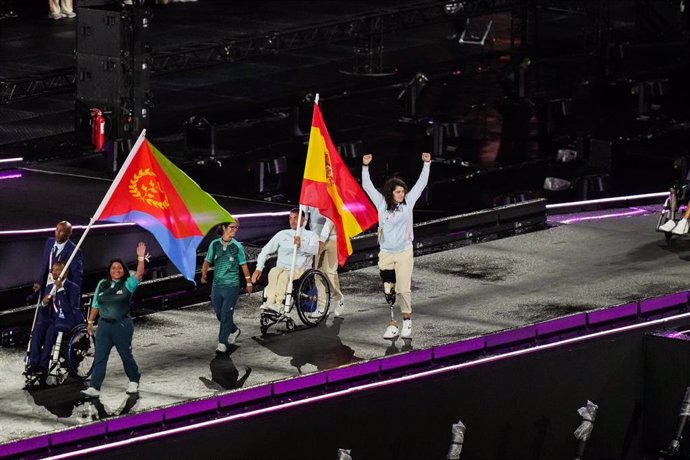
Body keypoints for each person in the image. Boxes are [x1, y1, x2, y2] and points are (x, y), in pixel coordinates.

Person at [362, 152, 431, 340]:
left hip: (403, 253)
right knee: (388, 288)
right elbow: (367, 186)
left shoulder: (408, 203)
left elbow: (421, 184)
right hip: (385, 253)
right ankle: (392, 324)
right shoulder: (381, 204)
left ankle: (407, 321)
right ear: (391, 193)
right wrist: (365, 166)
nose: (402, 194)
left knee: (403, 289)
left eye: (403, 192)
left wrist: (426, 164)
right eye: (398, 192)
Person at [81, 242, 147, 399]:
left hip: (122, 326)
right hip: (104, 326)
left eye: (119, 268)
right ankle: (94, 387)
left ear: (123, 270)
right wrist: (90, 322)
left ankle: (134, 380)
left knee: (125, 355)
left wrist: (140, 258)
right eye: (113, 268)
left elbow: (138, 274)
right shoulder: (102, 284)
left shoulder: (128, 284)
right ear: (109, 271)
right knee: (100, 357)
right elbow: (96, 304)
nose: (116, 270)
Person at [251, 208, 319, 313]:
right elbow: (265, 250)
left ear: (303, 220)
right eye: (290, 218)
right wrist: (259, 268)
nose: (292, 221)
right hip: (281, 267)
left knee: (284, 276)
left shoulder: (311, 235)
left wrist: (301, 245)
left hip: (299, 268)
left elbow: (315, 250)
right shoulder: (282, 234)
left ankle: (279, 304)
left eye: (296, 218)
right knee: (273, 272)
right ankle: (269, 302)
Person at [26, 261, 82, 381]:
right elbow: (45, 307)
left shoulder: (73, 288)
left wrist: (61, 290)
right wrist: (44, 303)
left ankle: (43, 366)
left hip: (69, 320)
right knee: (38, 328)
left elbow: (68, 310)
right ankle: (34, 364)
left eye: (57, 270)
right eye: (53, 270)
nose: (54, 272)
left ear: (65, 271)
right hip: (54, 318)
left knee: (52, 330)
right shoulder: (49, 287)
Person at [201, 221, 252, 353]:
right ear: (224, 228)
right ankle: (234, 330)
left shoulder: (237, 247)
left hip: (231, 285)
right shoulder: (215, 244)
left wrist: (248, 282)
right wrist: (204, 274)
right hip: (217, 285)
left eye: (236, 228)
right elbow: (207, 260)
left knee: (226, 313)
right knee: (219, 313)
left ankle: (222, 342)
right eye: (231, 227)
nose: (234, 230)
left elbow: (244, 265)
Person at [306, 206, 345, 317]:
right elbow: (304, 214)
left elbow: (331, 217)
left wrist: (322, 238)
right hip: (315, 239)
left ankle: (338, 298)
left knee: (330, 271)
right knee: (317, 274)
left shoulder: (329, 192)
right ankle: (322, 307)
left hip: (331, 238)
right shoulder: (309, 192)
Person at [34, 221, 83, 295]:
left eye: (61, 231)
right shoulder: (49, 242)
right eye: (57, 230)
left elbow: (76, 275)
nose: (57, 233)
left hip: (61, 290)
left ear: (69, 233)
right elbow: (45, 265)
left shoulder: (74, 250)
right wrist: (40, 282)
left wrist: (73, 294)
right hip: (47, 288)